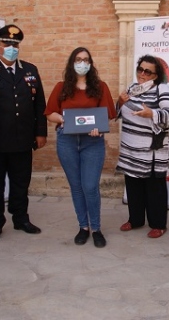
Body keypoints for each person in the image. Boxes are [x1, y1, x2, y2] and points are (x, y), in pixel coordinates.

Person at [0, 24, 48, 243]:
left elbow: (39, 104)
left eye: (15, 44)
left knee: (20, 183)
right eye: (7, 44)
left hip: (23, 140)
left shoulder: (30, 70)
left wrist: (40, 132)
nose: (11, 48)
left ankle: (20, 218)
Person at [45, 47, 117, 248]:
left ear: (91, 63)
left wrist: (99, 128)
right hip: (66, 141)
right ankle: (83, 227)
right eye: (78, 59)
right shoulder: (61, 87)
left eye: (86, 59)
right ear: (71, 63)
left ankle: (96, 228)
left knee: (90, 186)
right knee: (76, 187)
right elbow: (50, 113)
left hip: (92, 142)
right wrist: (62, 119)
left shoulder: (100, 87)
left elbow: (107, 117)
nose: (82, 63)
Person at [116, 55, 169, 239]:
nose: (142, 74)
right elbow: (117, 112)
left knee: (154, 188)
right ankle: (135, 220)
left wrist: (152, 113)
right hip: (130, 147)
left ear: (156, 75)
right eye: (140, 69)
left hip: (151, 150)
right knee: (133, 185)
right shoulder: (131, 89)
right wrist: (119, 102)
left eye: (147, 71)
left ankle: (158, 224)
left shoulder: (162, 89)